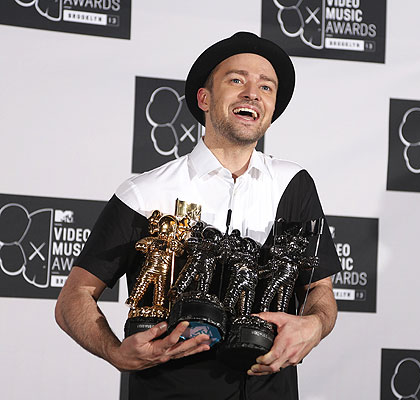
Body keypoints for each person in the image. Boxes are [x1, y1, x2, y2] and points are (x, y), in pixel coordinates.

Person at [55, 31, 341, 399]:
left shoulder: (294, 184)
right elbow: (74, 296)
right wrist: (114, 352)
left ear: (271, 111)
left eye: (266, 87)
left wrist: (314, 325)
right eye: (236, 80)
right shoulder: (145, 192)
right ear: (204, 98)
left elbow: (320, 289)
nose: (252, 93)